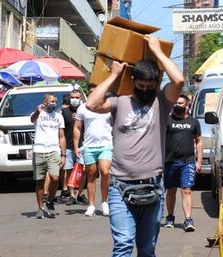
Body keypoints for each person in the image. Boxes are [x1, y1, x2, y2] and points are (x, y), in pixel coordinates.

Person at [86, 35, 184, 257]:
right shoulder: (120, 101)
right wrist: (114, 75)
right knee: (123, 245)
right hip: (120, 187)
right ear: (133, 81)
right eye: (141, 86)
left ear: (156, 84)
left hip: (153, 186)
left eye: (150, 86)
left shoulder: (162, 101)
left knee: (147, 250)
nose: (145, 90)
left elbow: (178, 80)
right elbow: (91, 103)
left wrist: (157, 52)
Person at [163, 93, 202, 231]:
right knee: (171, 191)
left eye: (180, 103)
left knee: (186, 190)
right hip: (170, 162)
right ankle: (170, 217)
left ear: (187, 105)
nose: (177, 105)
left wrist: (199, 161)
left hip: (188, 161)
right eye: (175, 103)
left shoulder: (193, 122)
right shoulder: (167, 121)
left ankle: (188, 220)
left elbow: (199, 141)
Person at [74, 83, 113, 216]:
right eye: (90, 91)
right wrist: (76, 146)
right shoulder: (83, 108)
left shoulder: (108, 105)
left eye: (95, 91)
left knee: (105, 172)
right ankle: (91, 204)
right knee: (91, 174)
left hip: (106, 144)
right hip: (89, 146)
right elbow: (77, 128)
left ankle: (104, 202)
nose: (93, 93)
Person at [30, 93, 66, 219]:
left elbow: (61, 136)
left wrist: (63, 154)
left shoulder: (59, 116)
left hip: (53, 150)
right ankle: (40, 207)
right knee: (40, 181)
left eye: (55, 102)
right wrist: (37, 111)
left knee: (55, 178)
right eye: (51, 101)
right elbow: (31, 119)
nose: (54, 104)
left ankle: (50, 200)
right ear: (45, 102)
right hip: (39, 150)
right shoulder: (39, 114)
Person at [60, 90, 88, 205]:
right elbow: (61, 131)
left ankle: (80, 193)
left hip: (83, 145)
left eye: (77, 97)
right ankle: (71, 195)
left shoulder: (85, 110)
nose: (75, 99)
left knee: (83, 170)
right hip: (68, 146)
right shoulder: (64, 112)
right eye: (72, 97)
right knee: (69, 170)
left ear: (81, 97)